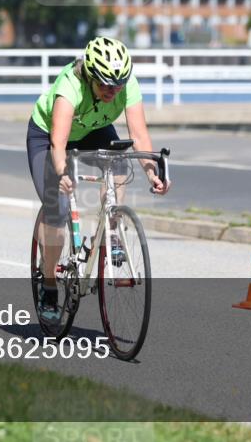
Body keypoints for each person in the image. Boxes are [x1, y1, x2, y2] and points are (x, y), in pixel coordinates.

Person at [26, 36, 169, 320]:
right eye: (104, 84)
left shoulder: (127, 86)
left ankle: (112, 229)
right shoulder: (70, 86)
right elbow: (59, 141)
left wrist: (152, 173)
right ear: (89, 76)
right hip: (48, 135)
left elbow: (139, 136)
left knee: (118, 162)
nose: (112, 91)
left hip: (93, 128)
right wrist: (61, 171)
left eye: (117, 85)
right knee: (57, 207)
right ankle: (50, 284)